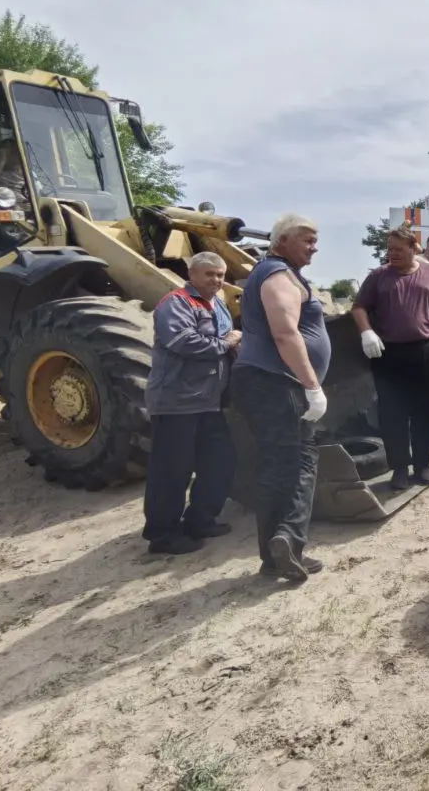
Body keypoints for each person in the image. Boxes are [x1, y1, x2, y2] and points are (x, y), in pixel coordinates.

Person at [232, 214, 331, 582]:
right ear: (283, 240)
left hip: (267, 382)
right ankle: (288, 538)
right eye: (307, 240)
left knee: (277, 465)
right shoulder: (277, 274)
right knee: (301, 463)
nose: (314, 246)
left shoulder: (276, 272)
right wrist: (312, 386)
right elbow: (285, 333)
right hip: (277, 383)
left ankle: (274, 557)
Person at [141, 252, 240, 555]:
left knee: (219, 462)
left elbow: (231, 341)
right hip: (177, 401)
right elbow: (183, 341)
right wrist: (227, 343)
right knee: (173, 470)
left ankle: (201, 519)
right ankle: (162, 534)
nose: (217, 280)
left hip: (209, 401)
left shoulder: (219, 304)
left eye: (221, 275)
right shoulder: (177, 302)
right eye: (210, 274)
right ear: (192, 274)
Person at [354, 222, 429, 490]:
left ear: (414, 248)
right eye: (389, 248)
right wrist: (367, 332)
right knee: (393, 412)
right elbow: (359, 308)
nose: (392, 253)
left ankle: (423, 464)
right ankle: (399, 468)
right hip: (388, 354)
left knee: (425, 410)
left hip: (426, 350)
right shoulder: (378, 276)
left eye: (398, 249)